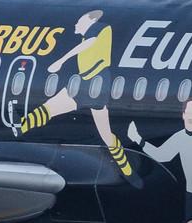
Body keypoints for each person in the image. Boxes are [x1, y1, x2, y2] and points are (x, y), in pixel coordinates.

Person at [12, 9, 136, 183]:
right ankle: (21, 127)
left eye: (80, 22)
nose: (76, 25)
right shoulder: (91, 34)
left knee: (105, 134)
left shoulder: (100, 29)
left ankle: (127, 171)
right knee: (52, 106)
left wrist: (61, 61)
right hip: (85, 80)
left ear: (90, 22)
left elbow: (88, 44)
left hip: (97, 82)